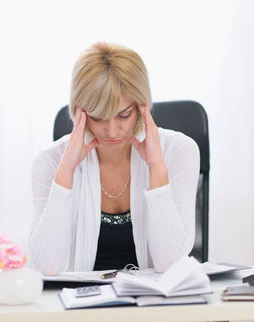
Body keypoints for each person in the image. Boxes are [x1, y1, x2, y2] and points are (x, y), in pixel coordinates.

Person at [29, 42, 200, 275]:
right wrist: (66, 171)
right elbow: (47, 268)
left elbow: (171, 265)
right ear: (80, 111)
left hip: (155, 305)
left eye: (124, 115)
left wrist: (157, 170)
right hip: (82, 306)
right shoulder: (49, 161)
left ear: (142, 107)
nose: (112, 130)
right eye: (98, 118)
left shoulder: (179, 151)